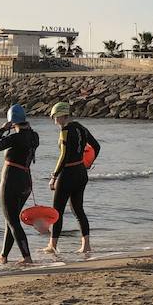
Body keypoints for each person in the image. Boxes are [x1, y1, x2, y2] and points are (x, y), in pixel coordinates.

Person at [45, 100, 100, 256]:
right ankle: (86, 245)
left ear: (62, 115)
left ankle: (52, 246)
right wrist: (88, 163)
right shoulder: (81, 128)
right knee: (78, 209)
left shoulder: (65, 131)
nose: (53, 120)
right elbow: (96, 146)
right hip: (81, 172)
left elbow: (64, 156)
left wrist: (54, 176)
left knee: (57, 211)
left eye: (54, 117)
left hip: (68, 174)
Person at [0, 103, 39, 266]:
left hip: (11, 181)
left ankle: (27, 258)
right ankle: (3, 255)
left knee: (12, 221)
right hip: (26, 181)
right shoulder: (34, 136)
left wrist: (2, 129)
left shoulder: (16, 138)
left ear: (12, 121)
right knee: (11, 220)